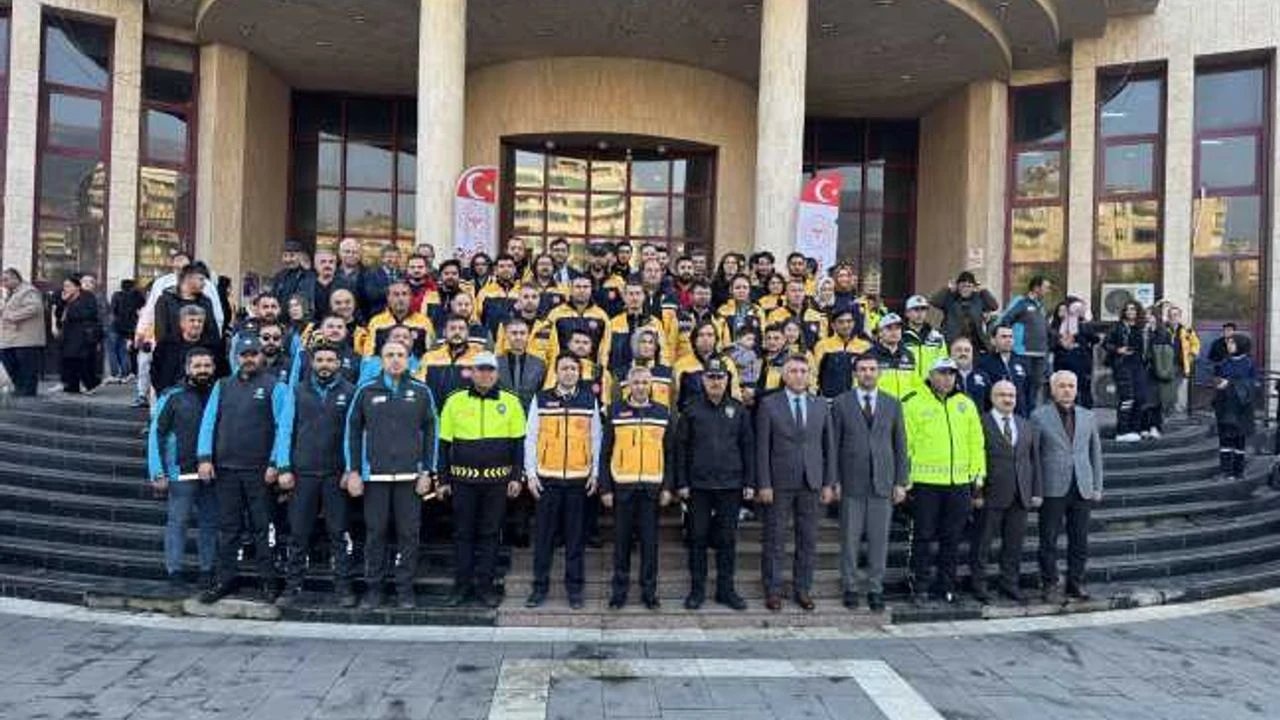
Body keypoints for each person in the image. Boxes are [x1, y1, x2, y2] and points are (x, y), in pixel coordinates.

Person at [343, 339, 439, 609]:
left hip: (411, 477)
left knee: (409, 534)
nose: (395, 359)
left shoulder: (421, 391)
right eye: (389, 355)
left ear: (409, 359)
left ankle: (405, 589)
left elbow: (433, 431)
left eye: (400, 355)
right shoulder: (365, 390)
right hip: (375, 477)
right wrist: (352, 471)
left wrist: (428, 472)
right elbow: (351, 431)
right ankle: (374, 589)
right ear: (381, 360)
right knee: (375, 533)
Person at [197, 335, 293, 604]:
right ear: (236, 356)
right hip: (226, 469)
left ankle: (269, 582)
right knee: (228, 528)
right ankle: (224, 579)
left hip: (260, 471)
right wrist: (204, 457)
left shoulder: (275, 386)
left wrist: (276, 462)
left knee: (264, 528)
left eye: (253, 353)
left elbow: (282, 428)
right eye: (243, 354)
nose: (248, 359)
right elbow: (209, 422)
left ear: (261, 355)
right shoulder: (222, 385)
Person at [437, 351, 526, 608]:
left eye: (490, 369)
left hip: (497, 483)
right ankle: (461, 586)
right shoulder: (455, 401)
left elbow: (518, 442)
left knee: (490, 535)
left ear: (497, 373)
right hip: (463, 482)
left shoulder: (510, 401)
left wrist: (516, 476)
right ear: (471, 372)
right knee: (462, 534)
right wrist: (442, 479)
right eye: (480, 369)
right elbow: (443, 444)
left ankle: (486, 588)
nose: (485, 374)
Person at [275, 341, 358, 608]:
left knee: (338, 533)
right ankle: (291, 587)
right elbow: (285, 429)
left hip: (336, 474)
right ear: (312, 362)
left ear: (338, 364)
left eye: (330, 360)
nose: (324, 365)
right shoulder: (297, 391)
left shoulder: (351, 391)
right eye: (320, 360)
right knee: (299, 534)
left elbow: (354, 434)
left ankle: (344, 588)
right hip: (303, 473)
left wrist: (351, 469)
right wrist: (284, 467)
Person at [672, 357, 754, 611]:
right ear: (703, 380)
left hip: (730, 485)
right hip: (698, 487)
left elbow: (748, 447)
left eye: (720, 377)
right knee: (697, 538)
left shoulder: (738, 409)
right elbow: (681, 449)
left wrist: (750, 481)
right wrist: (681, 482)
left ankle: (725, 590)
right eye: (711, 377)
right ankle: (697, 591)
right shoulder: (691, 409)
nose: (716, 382)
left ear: (728, 380)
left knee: (727, 539)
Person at [755, 354, 835, 612]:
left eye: (803, 371)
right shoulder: (769, 404)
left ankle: (803, 589)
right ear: (784, 375)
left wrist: (828, 483)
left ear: (810, 375)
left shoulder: (821, 404)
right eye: (793, 371)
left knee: (808, 539)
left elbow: (829, 447)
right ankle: (773, 590)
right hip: (779, 482)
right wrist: (764, 483)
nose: (799, 375)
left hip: (812, 480)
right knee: (775, 538)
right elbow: (762, 448)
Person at [522, 354, 603, 610]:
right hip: (548, 479)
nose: (569, 372)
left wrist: (595, 473)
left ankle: (575, 589)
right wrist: (531, 474)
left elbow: (596, 439)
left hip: (579, 481)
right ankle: (539, 587)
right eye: (564, 368)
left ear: (579, 373)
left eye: (573, 369)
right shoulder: (542, 398)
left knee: (575, 538)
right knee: (544, 538)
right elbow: (531, 438)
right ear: (556, 372)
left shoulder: (589, 399)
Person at [901, 357, 985, 603]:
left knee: (952, 537)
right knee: (923, 537)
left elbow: (976, 443)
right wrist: (906, 481)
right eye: (942, 373)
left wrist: (978, 477)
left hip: (958, 483)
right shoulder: (914, 402)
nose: (947, 378)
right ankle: (920, 587)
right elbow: (906, 444)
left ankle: (946, 586)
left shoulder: (965, 404)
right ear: (930, 375)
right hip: (925, 483)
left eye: (951, 373)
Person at [828, 354, 907, 613]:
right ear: (855, 373)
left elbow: (900, 444)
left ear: (879, 373)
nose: (868, 373)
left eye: (872, 369)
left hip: (883, 482)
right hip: (851, 481)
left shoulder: (892, 404)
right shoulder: (840, 403)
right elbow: (833, 445)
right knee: (849, 539)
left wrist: (901, 481)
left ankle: (875, 588)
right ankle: (850, 587)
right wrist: (834, 479)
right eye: (862, 369)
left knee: (879, 540)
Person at [599, 365, 672, 610]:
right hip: (623, 488)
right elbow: (605, 451)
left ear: (650, 384)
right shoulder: (615, 411)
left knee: (650, 545)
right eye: (636, 382)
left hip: (652, 489)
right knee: (621, 544)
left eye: (644, 382)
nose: (640, 386)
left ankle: (649, 592)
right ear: (628, 385)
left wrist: (667, 487)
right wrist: (605, 488)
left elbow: (670, 453)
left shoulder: (663, 412)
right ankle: (619, 592)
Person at [147, 347, 219, 592]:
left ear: (214, 368)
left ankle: (207, 570)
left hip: (212, 473)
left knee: (210, 524)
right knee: (178, 523)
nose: (202, 370)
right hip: (180, 472)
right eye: (197, 366)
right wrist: (157, 472)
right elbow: (156, 433)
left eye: (207, 366)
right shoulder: (172, 395)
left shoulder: (220, 393)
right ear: (188, 368)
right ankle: (174, 571)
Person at [1031, 370, 1104, 603]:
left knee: (1080, 539)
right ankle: (1050, 583)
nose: (1066, 390)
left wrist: (1097, 485)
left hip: (1082, 485)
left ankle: (1076, 581)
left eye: (1071, 386)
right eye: (1061, 386)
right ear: (1052, 390)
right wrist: (1036, 489)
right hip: (1052, 487)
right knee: (1048, 539)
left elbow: (1095, 453)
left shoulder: (1088, 416)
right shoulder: (1039, 416)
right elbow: (1034, 456)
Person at [969, 380, 1042, 604]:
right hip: (990, 494)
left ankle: (1009, 584)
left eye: (1011, 395)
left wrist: (1036, 491)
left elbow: (1034, 460)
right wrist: (976, 493)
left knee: (1014, 545)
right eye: (1002, 395)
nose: (1008, 399)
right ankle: (979, 585)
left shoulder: (1025, 424)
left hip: (1020, 494)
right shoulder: (980, 422)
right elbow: (973, 457)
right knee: (982, 544)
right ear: (992, 398)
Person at [1105, 300, 1156, 442]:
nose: (1130, 312)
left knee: (1140, 398)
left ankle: (1135, 429)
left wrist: (1152, 329)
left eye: (1133, 309)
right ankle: (1122, 431)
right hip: (1122, 365)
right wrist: (1117, 349)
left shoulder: (1142, 328)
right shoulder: (1118, 327)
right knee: (1127, 397)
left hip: (1139, 365)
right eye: (1127, 309)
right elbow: (1106, 343)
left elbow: (1150, 346)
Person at [998, 274, 1052, 405]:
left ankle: (1030, 417)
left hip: (1040, 354)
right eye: (1045, 287)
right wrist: (1009, 341)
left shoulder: (1041, 307)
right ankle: (1020, 416)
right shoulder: (1021, 302)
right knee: (1021, 386)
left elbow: (1045, 329)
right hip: (1023, 353)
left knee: (1035, 387)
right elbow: (1005, 319)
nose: (1047, 291)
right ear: (1036, 288)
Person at [151, 305, 228, 392]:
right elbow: (155, 371)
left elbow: (223, 373)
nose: (196, 324)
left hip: (206, 395)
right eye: (192, 320)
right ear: (182, 323)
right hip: (172, 394)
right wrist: (162, 390)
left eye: (200, 321)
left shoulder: (214, 346)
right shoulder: (166, 345)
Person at [1213, 335, 1255, 480]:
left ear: (1240, 345)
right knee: (1225, 440)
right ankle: (1225, 471)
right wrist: (1218, 382)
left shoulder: (1248, 363)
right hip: (1225, 406)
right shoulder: (1225, 362)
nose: (1229, 345)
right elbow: (1218, 378)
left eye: (1232, 343)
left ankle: (1238, 471)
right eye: (1228, 343)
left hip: (1241, 409)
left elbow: (1252, 384)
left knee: (1239, 441)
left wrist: (1229, 383)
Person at [0, 268, 46, 396]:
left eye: (6, 280)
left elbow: (34, 307)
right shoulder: (12, 292)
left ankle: (27, 391)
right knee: (9, 361)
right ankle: (19, 388)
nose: (3, 283)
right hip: (13, 339)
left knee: (27, 366)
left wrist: (13, 316)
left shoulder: (28, 290)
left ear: (15, 278)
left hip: (26, 338)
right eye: (2, 280)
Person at [419, 314, 481, 407]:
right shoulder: (429, 357)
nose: (457, 332)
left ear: (468, 333)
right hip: (436, 415)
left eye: (461, 329)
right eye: (452, 328)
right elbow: (421, 388)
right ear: (444, 332)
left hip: (468, 415)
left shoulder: (479, 358)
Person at [54, 275, 102, 394]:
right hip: (68, 333)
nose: (66, 288)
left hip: (83, 333)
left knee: (82, 360)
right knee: (69, 360)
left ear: (77, 287)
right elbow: (58, 314)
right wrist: (63, 302)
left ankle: (91, 383)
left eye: (69, 286)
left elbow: (90, 313)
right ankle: (72, 385)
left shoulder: (87, 296)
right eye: (64, 286)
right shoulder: (64, 298)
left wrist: (71, 309)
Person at [360, 281, 434, 357]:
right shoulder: (376, 322)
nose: (400, 298)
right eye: (396, 294)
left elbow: (430, 354)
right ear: (388, 298)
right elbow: (368, 356)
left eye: (404, 294)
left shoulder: (424, 322)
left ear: (410, 297)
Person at [812, 307, 871, 399]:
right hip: (829, 401)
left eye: (849, 321)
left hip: (857, 401)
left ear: (854, 323)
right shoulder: (822, 345)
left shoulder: (865, 346)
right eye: (841, 322)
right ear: (833, 325)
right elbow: (814, 374)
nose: (846, 325)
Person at [1049, 297, 1097, 409]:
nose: (1064, 313)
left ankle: (1085, 412)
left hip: (1081, 361)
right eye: (1061, 310)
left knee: (1083, 389)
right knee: (1063, 388)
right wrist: (1060, 342)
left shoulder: (1082, 324)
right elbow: (1051, 344)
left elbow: (1094, 339)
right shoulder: (1055, 326)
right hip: (1063, 361)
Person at [930, 271, 999, 348]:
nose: (966, 289)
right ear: (958, 286)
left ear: (973, 287)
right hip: (953, 341)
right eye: (963, 286)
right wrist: (947, 289)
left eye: (969, 286)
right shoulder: (950, 298)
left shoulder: (978, 298)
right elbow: (934, 302)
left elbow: (994, 306)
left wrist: (984, 290)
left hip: (975, 342)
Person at [977, 325, 1032, 415]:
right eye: (1004, 337)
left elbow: (1029, 392)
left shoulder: (1022, 362)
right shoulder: (984, 364)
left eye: (1010, 337)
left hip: (1020, 416)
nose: (1008, 340)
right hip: (995, 415)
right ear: (993, 340)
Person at [496, 317, 548, 410]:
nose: (518, 337)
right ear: (507, 335)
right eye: (514, 333)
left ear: (528, 336)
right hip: (501, 414)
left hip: (529, 416)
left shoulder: (539, 365)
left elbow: (541, 393)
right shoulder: (495, 363)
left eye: (522, 333)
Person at [867, 313, 919, 399]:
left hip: (906, 409)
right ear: (880, 332)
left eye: (897, 328)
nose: (894, 332)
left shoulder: (909, 355)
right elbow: (861, 386)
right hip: (880, 408)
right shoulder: (869, 356)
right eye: (889, 328)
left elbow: (917, 385)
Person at [107, 279, 144, 383]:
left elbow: (113, 310)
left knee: (113, 351)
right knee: (126, 351)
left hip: (116, 326)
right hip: (131, 327)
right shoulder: (137, 296)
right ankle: (127, 373)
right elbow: (142, 309)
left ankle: (115, 374)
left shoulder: (117, 295)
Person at [902, 295, 946, 382]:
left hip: (930, 388)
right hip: (907, 386)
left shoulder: (936, 337)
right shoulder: (900, 337)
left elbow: (942, 363)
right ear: (907, 313)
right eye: (916, 309)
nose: (920, 313)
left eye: (923, 309)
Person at [1166, 305, 1200, 415]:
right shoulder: (1163, 329)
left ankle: (1177, 412)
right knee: (1167, 389)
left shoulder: (1187, 330)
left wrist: (1192, 355)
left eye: (1176, 315)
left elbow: (1195, 343)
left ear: (1180, 317)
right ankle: (1168, 411)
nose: (1173, 317)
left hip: (1180, 365)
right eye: (1171, 315)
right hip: (1165, 365)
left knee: (1178, 389)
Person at [271, 239, 317, 309]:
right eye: (285, 256)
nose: (288, 260)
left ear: (301, 256)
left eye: (292, 256)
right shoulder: (279, 276)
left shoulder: (308, 276)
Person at [950, 336, 991, 409]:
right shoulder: (945, 376)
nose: (963, 353)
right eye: (959, 350)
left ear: (972, 354)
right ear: (951, 354)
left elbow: (990, 404)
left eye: (967, 350)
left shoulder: (983, 376)